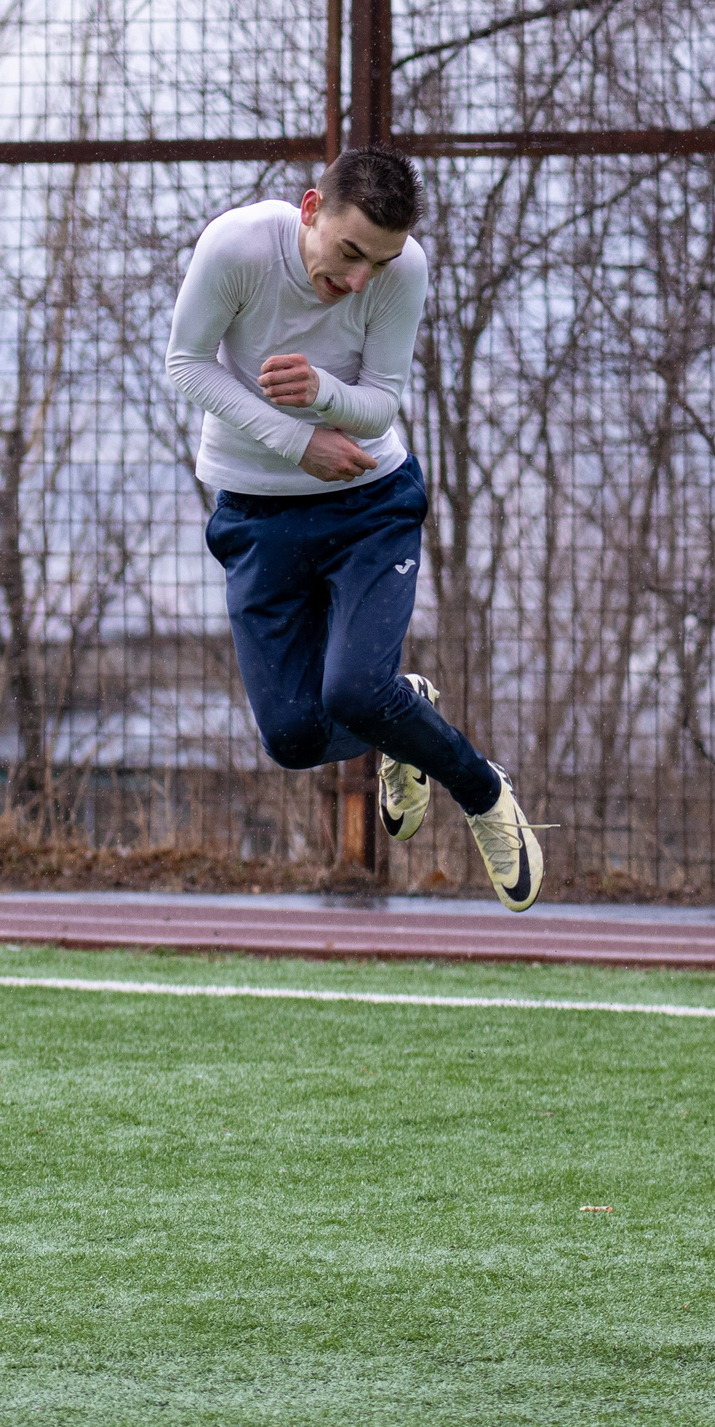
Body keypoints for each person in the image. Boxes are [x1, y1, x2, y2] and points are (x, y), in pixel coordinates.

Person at [166, 145, 547, 910]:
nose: (361, 279)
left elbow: (379, 404)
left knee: (356, 690)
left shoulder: (403, 272)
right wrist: (296, 440)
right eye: (349, 253)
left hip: (369, 504)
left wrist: (322, 393)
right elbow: (186, 364)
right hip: (256, 512)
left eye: (381, 261)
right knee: (292, 739)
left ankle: (483, 792)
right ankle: (406, 715)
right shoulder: (237, 247)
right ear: (312, 210)